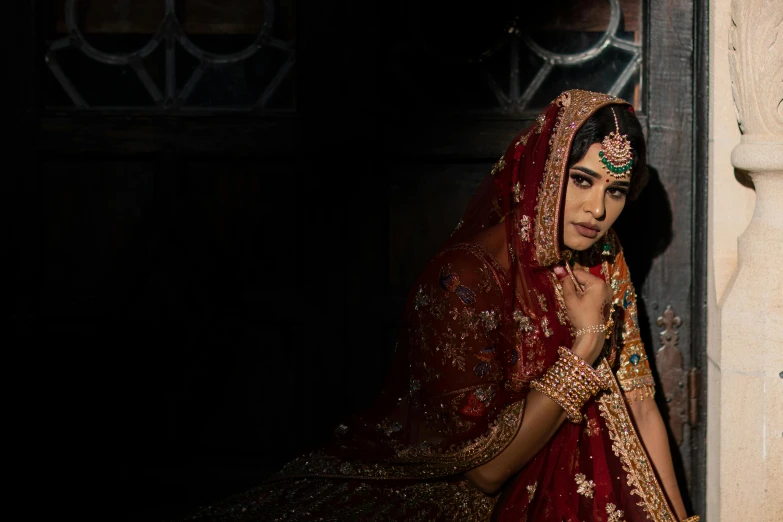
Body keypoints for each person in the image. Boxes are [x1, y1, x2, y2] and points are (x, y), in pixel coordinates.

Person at [177, 90, 700, 521]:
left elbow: (640, 402)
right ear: (544, 169)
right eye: (582, 180)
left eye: (616, 190)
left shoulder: (604, 263)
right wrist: (585, 347)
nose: (596, 210)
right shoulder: (467, 277)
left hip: (598, 474)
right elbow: (486, 472)